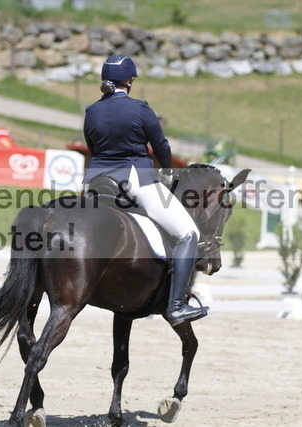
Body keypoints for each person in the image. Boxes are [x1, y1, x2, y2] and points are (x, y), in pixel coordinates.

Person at [83, 54, 207, 326]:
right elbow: (161, 146)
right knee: (188, 233)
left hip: (96, 183)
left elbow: (92, 147)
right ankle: (176, 306)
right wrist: (166, 172)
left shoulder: (91, 111)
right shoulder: (140, 108)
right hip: (134, 180)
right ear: (129, 81)